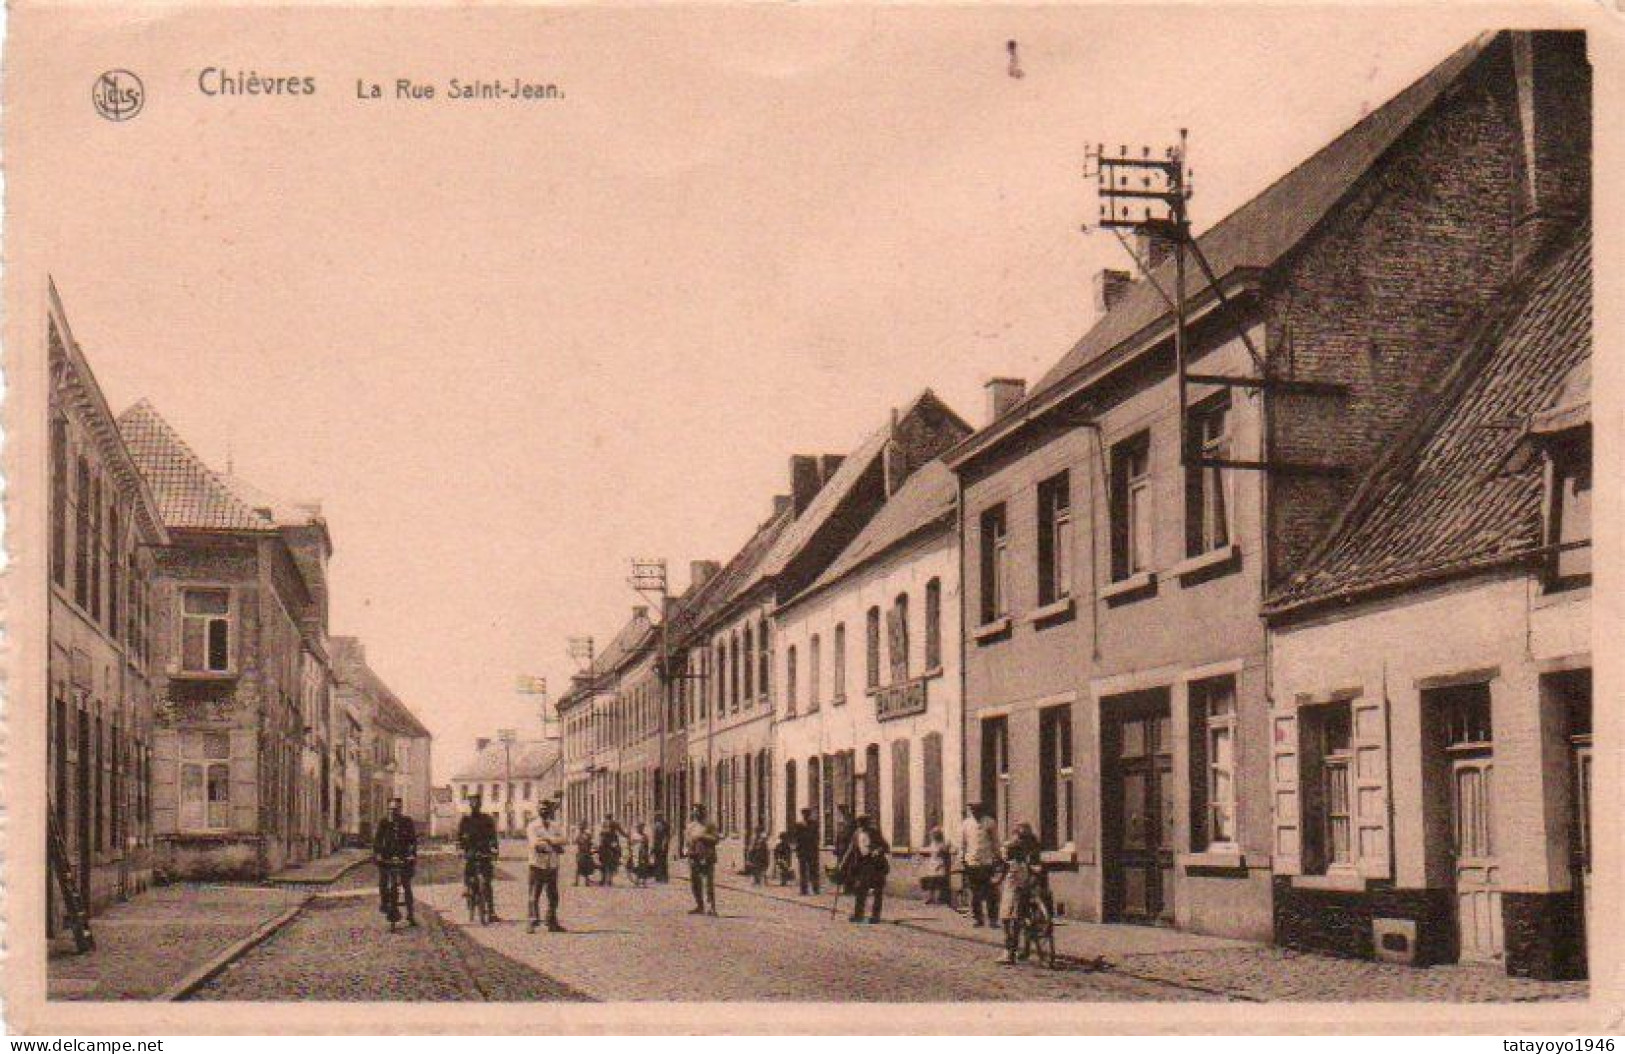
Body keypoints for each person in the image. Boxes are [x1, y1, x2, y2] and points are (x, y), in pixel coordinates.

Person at [995, 822, 1050, 965]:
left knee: (1007, 918)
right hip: (1032, 887)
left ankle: (1009, 952)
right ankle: (1025, 949)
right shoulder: (1033, 848)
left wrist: (996, 879)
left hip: (1016, 886)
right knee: (1023, 916)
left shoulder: (1011, 848)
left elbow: (1002, 866)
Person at [373, 796, 418, 928]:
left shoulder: (407, 822)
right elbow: (377, 841)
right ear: (388, 810)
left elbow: (412, 842)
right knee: (383, 882)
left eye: (396, 809)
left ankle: (410, 914)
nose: (393, 812)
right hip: (387, 859)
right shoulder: (384, 823)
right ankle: (385, 903)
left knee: (406, 885)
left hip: (404, 858)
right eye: (391, 809)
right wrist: (378, 854)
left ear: (400, 809)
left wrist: (411, 855)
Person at [525, 799, 568, 933]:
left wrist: (549, 840)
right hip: (537, 864)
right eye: (541, 809)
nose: (544, 811)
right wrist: (554, 845)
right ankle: (532, 922)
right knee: (534, 894)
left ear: (550, 811)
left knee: (553, 895)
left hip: (552, 864)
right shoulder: (532, 826)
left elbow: (564, 840)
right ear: (538, 810)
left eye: (546, 809)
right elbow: (535, 843)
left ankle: (551, 921)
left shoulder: (555, 826)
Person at [456, 794, 501, 922]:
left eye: (477, 802)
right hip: (470, 851)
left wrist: (494, 849)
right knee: (467, 868)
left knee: (487, 882)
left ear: (480, 804)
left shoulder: (487, 819)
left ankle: (491, 912)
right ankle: (466, 887)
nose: (474, 805)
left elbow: (493, 836)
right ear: (469, 804)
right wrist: (459, 849)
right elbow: (459, 837)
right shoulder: (465, 820)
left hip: (484, 851)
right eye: (472, 802)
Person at [840, 814, 891, 924]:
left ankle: (875, 916)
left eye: (864, 823)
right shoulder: (856, 834)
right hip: (863, 864)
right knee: (860, 890)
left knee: (878, 891)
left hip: (876, 864)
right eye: (860, 823)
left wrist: (877, 851)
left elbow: (886, 847)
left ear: (868, 823)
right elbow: (850, 849)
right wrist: (842, 864)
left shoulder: (875, 832)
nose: (862, 825)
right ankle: (858, 915)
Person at [959, 801, 999, 927]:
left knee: (990, 892)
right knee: (975, 892)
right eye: (972, 810)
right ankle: (978, 919)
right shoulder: (966, 824)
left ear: (982, 810)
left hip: (987, 862)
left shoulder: (990, 822)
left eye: (977, 810)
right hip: (972, 862)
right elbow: (963, 843)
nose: (975, 812)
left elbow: (995, 842)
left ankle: (993, 919)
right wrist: (962, 858)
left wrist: (997, 857)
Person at [684, 803, 719, 915]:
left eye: (698, 811)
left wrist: (702, 837)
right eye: (694, 811)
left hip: (707, 857)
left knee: (708, 883)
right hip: (694, 857)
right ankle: (700, 906)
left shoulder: (709, 825)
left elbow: (715, 839)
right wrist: (685, 850)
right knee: (695, 883)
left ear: (703, 812)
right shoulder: (690, 826)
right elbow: (687, 841)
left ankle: (711, 908)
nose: (696, 813)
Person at [921, 825, 953, 906]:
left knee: (938, 882)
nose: (933, 836)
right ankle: (930, 898)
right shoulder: (933, 844)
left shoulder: (941, 845)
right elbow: (929, 850)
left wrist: (948, 846)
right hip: (932, 864)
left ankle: (939, 898)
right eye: (933, 834)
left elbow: (945, 850)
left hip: (939, 864)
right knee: (931, 882)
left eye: (935, 834)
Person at [793, 807, 821, 895]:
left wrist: (815, 846)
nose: (806, 816)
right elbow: (796, 838)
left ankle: (815, 889)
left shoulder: (814, 824)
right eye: (804, 814)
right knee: (803, 871)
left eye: (807, 814)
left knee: (814, 871)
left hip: (812, 851)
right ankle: (803, 890)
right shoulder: (798, 825)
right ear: (802, 815)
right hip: (802, 851)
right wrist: (797, 850)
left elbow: (817, 837)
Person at [597, 815, 625, 886]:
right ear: (611, 817)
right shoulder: (614, 823)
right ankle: (609, 880)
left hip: (604, 844)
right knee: (617, 853)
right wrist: (627, 836)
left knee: (603, 861)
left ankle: (603, 879)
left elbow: (600, 834)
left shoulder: (603, 824)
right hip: (612, 842)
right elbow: (621, 832)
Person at [832, 804, 856, 891]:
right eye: (841, 811)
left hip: (848, 849)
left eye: (843, 810)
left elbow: (851, 836)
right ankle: (845, 887)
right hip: (841, 849)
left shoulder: (851, 821)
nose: (842, 812)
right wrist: (836, 847)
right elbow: (838, 835)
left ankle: (849, 887)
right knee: (842, 868)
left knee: (849, 868)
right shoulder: (841, 821)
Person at [572, 822, 596, 886]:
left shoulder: (582, 835)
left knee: (581, 868)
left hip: (583, 853)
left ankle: (579, 882)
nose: (580, 829)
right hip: (583, 853)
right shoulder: (585, 835)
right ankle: (582, 882)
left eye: (581, 827)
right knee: (583, 868)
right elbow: (576, 841)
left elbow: (575, 841)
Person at [629, 822, 652, 886]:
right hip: (636, 853)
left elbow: (647, 845)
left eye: (642, 828)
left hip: (643, 853)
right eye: (639, 827)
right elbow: (631, 843)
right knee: (637, 867)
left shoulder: (645, 836)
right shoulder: (634, 835)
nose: (640, 829)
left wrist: (647, 853)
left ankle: (644, 882)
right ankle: (637, 881)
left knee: (644, 867)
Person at [651, 814, 671, 883]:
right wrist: (653, 846)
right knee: (657, 861)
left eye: (659, 816)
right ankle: (658, 877)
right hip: (656, 845)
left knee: (663, 862)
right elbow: (654, 837)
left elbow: (667, 836)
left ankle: (664, 877)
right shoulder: (656, 825)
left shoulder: (665, 825)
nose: (658, 818)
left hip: (662, 846)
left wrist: (664, 844)